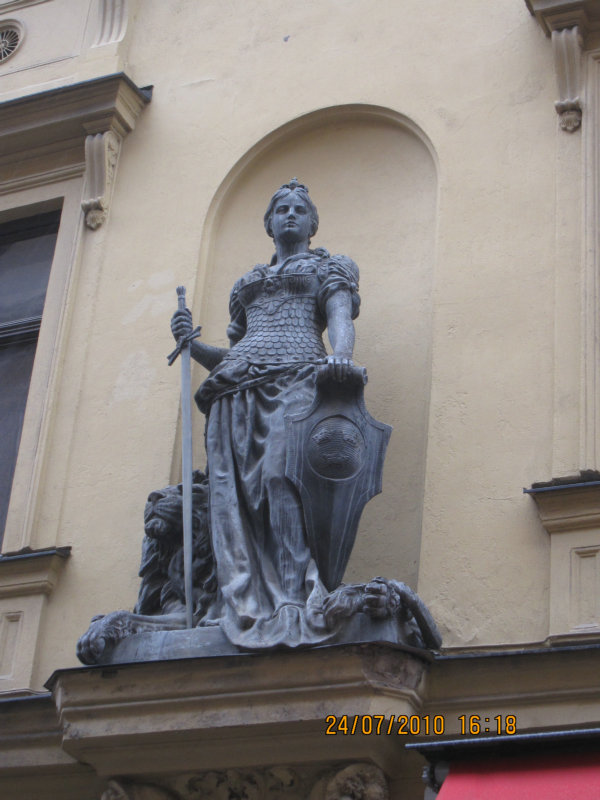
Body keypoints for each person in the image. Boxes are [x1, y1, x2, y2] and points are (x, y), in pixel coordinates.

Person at [170, 179, 361, 648]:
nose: (290, 214)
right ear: (269, 223)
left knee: (281, 478)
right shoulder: (246, 284)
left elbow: (339, 317)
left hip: (299, 376)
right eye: (281, 209)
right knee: (232, 495)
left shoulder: (331, 266)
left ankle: (295, 596)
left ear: (312, 224)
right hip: (236, 388)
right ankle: (242, 597)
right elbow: (236, 351)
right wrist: (192, 346)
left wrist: (340, 357)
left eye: (299, 209)